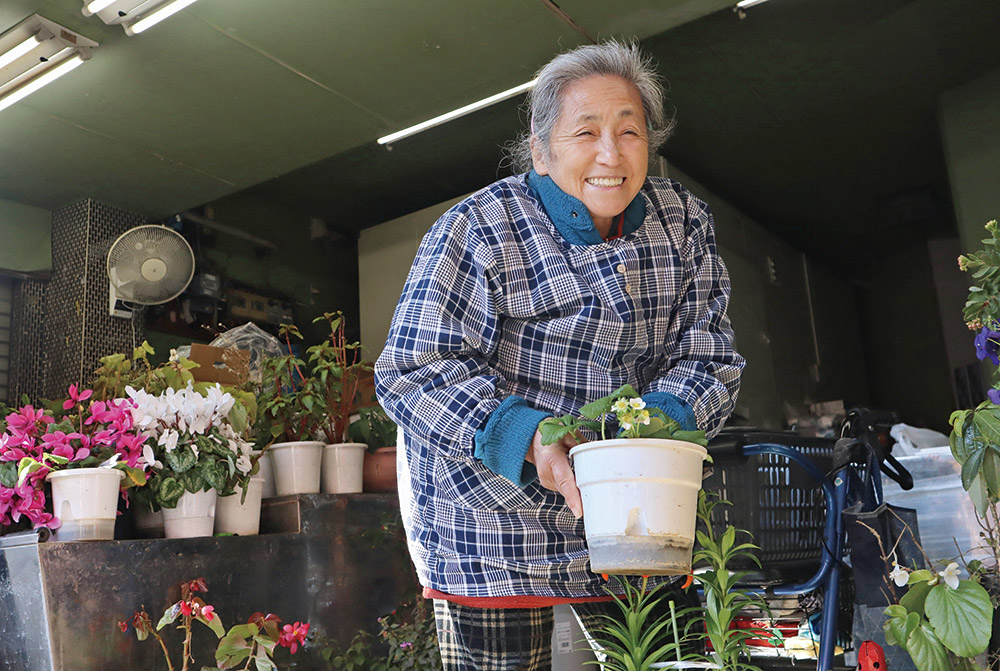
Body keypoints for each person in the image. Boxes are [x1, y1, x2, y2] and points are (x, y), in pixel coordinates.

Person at [375, 40, 744, 671]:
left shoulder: (682, 223)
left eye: (629, 131)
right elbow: (410, 371)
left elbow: (709, 355)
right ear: (542, 150)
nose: (611, 153)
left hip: (632, 506)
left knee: (662, 659)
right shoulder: (479, 228)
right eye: (586, 132)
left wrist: (648, 427)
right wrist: (527, 434)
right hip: (491, 515)